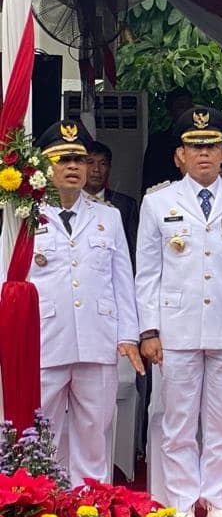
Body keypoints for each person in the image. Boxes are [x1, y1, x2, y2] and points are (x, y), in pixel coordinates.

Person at [135, 107, 222, 517]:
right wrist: (148, 330)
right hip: (177, 327)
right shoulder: (158, 202)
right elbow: (147, 273)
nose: (203, 153)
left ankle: (219, 505)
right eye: (194, 146)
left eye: (211, 146)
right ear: (179, 156)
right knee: (178, 423)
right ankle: (183, 504)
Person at [32, 119, 142, 486]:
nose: (73, 167)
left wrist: (128, 336)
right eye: (63, 159)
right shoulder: (24, 215)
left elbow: (122, 280)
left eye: (79, 159)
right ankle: (45, 498)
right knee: (42, 428)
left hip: (97, 337)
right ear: (46, 165)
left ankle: (89, 501)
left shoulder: (107, 216)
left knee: (95, 427)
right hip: (45, 336)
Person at [85, 140, 140, 260]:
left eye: (103, 164)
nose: (96, 169)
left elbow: (133, 251)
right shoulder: (69, 202)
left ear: (109, 168)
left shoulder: (126, 205)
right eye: (90, 162)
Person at [142, 87, 194, 189]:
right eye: (181, 106)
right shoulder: (158, 142)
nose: (186, 112)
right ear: (171, 110)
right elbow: (149, 178)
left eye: (189, 107)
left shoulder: (202, 139)